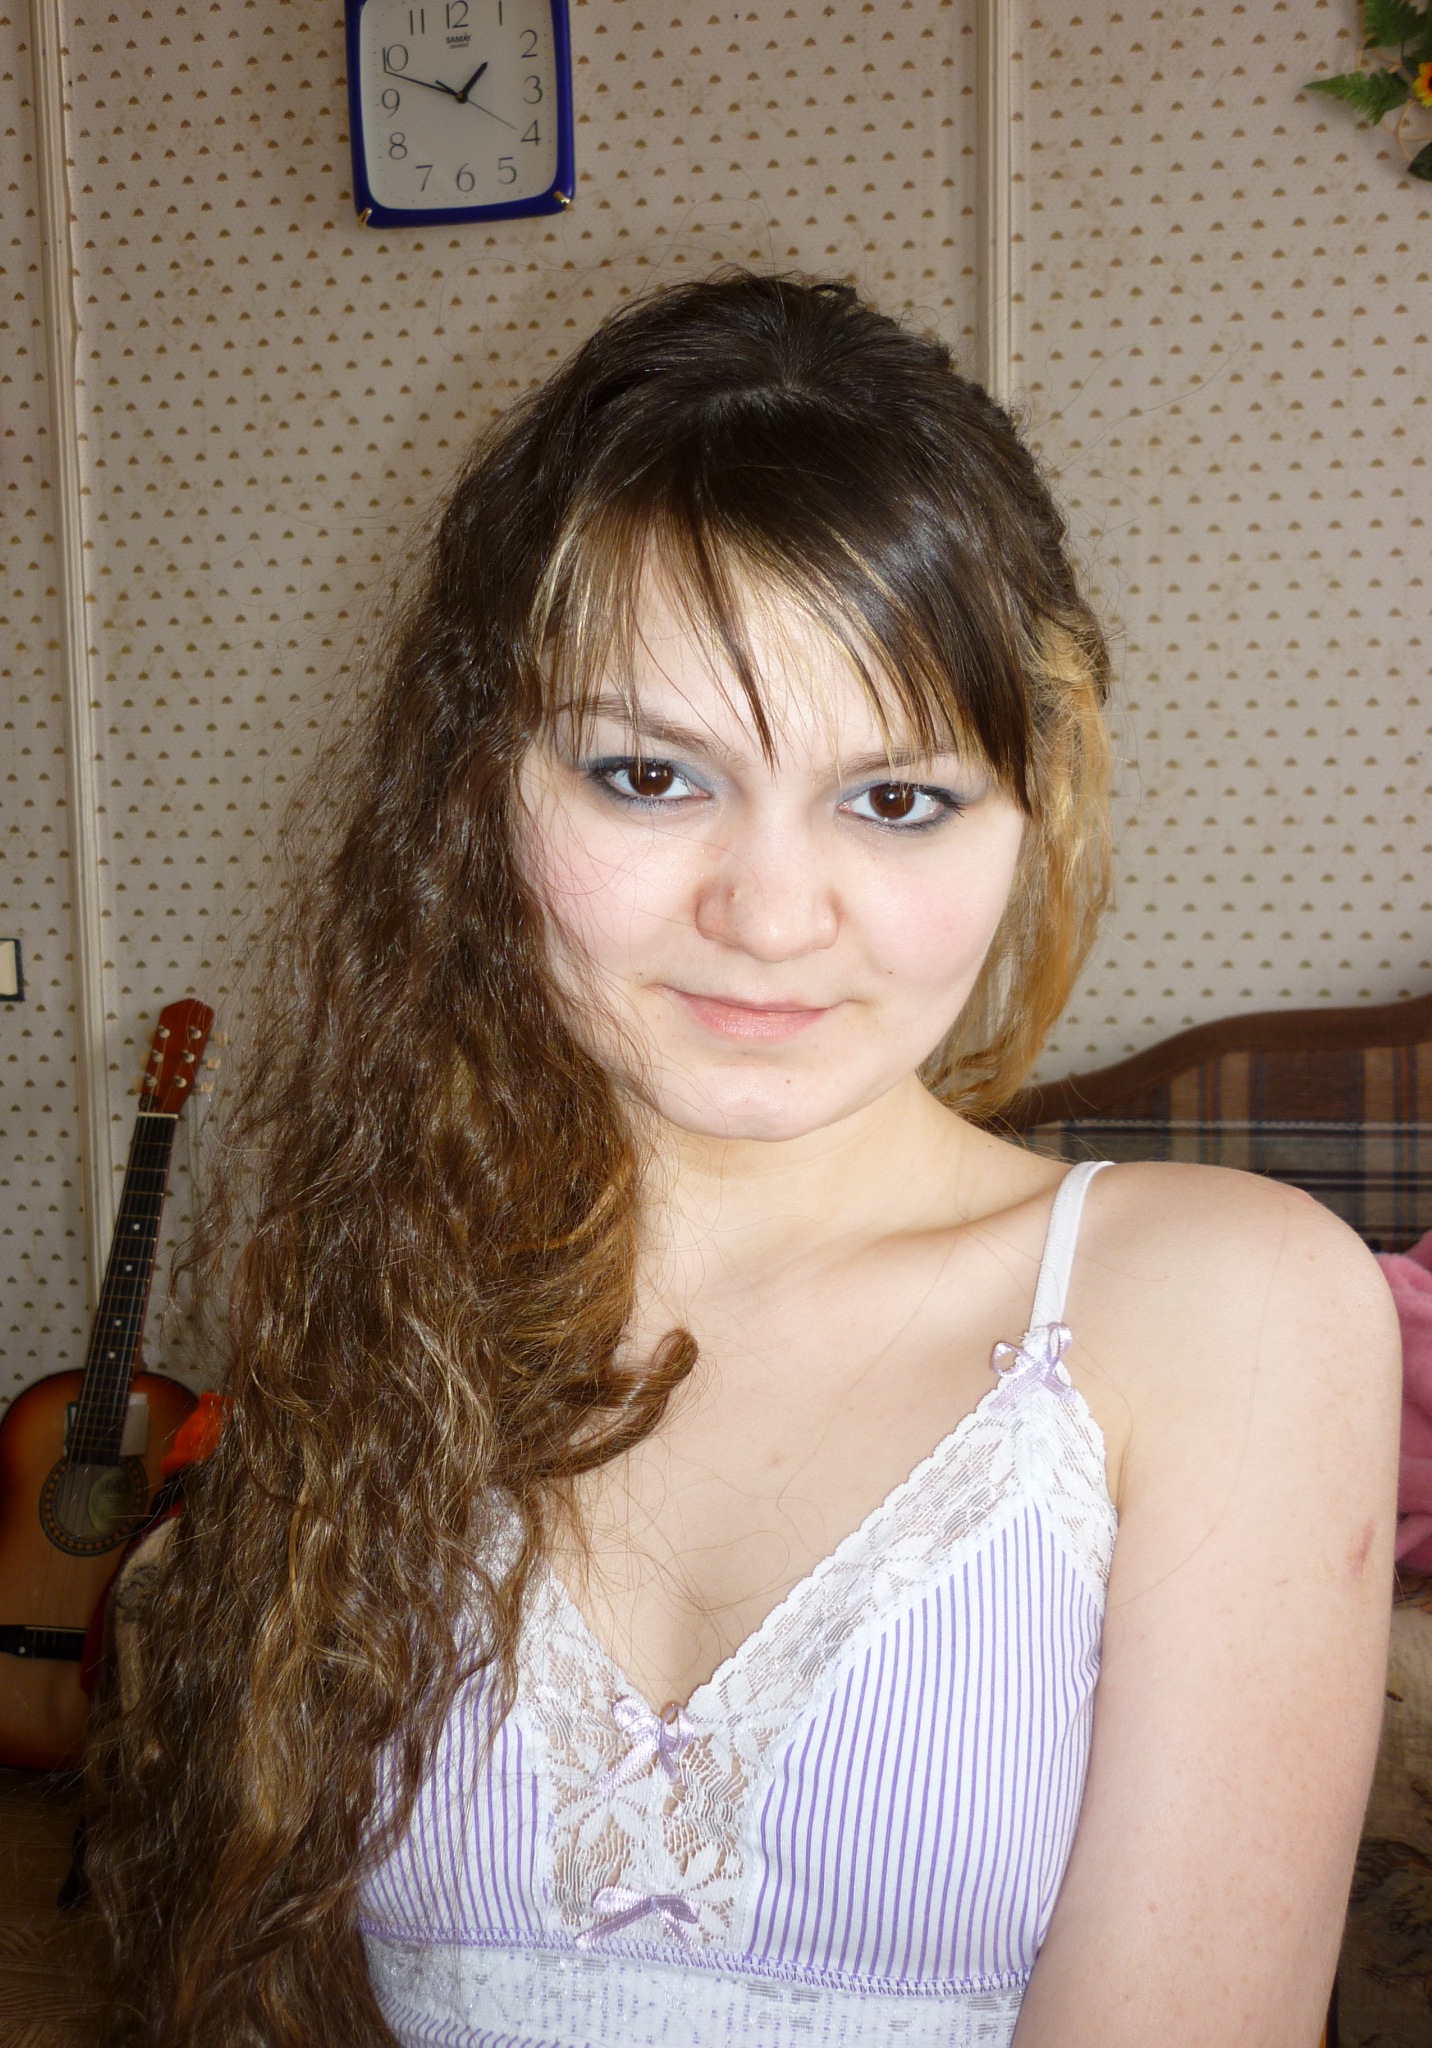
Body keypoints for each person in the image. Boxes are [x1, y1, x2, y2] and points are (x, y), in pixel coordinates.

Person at [88, 273, 1400, 2048]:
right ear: (476, 785)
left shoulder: (1229, 1306)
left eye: (897, 799)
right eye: (650, 776)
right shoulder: (393, 1286)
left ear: (1035, 815)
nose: (772, 916)